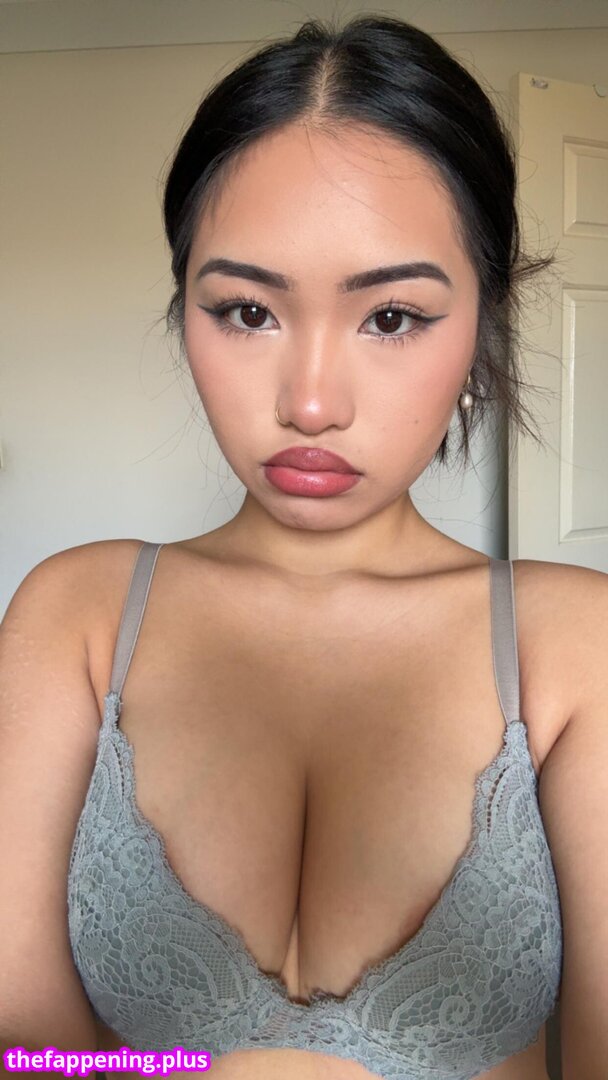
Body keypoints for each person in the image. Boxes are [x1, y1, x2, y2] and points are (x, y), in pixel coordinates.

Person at [1, 12, 606, 1080]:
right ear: (183, 306)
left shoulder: (573, 646)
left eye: (391, 317)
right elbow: (29, 1051)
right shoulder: (78, 618)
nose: (311, 403)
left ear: (483, 318)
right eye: (246, 311)